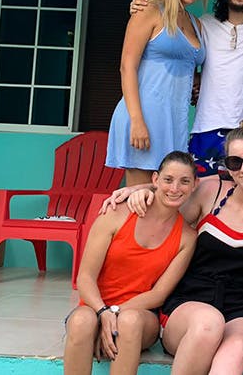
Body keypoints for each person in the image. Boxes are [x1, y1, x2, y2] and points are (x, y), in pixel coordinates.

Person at [126, 120, 243, 375]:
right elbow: (167, 205)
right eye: (235, 162)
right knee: (207, 325)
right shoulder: (211, 191)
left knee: (234, 353)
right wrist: (142, 189)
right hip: (190, 301)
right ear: (227, 167)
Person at [63, 152, 198, 375]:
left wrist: (114, 313)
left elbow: (158, 294)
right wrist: (102, 311)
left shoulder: (187, 237)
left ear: (194, 186)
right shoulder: (117, 213)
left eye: (184, 181)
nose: (175, 188)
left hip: (140, 314)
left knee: (129, 321)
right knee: (80, 323)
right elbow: (85, 277)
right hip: (95, 306)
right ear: (155, 180)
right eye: (168, 179)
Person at [129, 0, 243, 179]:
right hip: (205, 127)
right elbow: (184, 57)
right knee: (200, 195)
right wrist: (141, 6)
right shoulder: (203, 25)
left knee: (242, 196)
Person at [106, 0, 210, 186]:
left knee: (167, 202)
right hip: (145, 116)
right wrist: (137, 121)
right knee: (140, 200)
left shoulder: (197, 24)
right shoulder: (149, 10)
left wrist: (195, 83)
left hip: (176, 121)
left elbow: (188, 66)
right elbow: (127, 67)